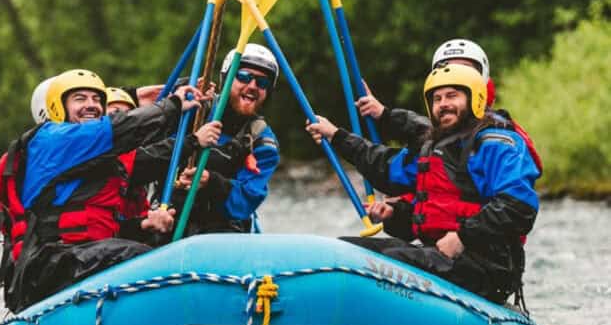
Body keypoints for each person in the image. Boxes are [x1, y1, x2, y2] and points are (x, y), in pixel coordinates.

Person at [306, 63, 540, 306]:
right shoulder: (436, 149)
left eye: (452, 96)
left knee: (385, 260)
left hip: (488, 264)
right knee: (345, 250)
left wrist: (463, 237)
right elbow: (387, 169)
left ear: (475, 99)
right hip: (439, 255)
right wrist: (396, 213)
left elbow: (518, 207)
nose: (443, 104)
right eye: (437, 99)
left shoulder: (496, 143)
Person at [0, 68, 218, 312]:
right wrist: (173, 105)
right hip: (46, 267)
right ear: (58, 107)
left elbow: (100, 227)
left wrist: (142, 225)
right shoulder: (54, 140)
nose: (91, 105)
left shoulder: (89, 160)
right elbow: (122, 129)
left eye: (97, 99)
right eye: (80, 99)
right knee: (145, 259)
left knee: (156, 247)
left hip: (75, 256)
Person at [356, 38, 542, 171]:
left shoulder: (494, 133)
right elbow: (424, 132)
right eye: (449, 69)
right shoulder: (444, 116)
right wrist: (383, 114)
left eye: (464, 70)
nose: (455, 76)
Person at [167, 44, 281, 235]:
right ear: (226, 79)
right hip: (169, 215)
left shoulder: (262, 141)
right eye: (243, 76)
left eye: (262, 83)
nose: (252, 86)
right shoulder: (193, 109)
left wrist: (211, 182)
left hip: (223, 228)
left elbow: (246, 200)